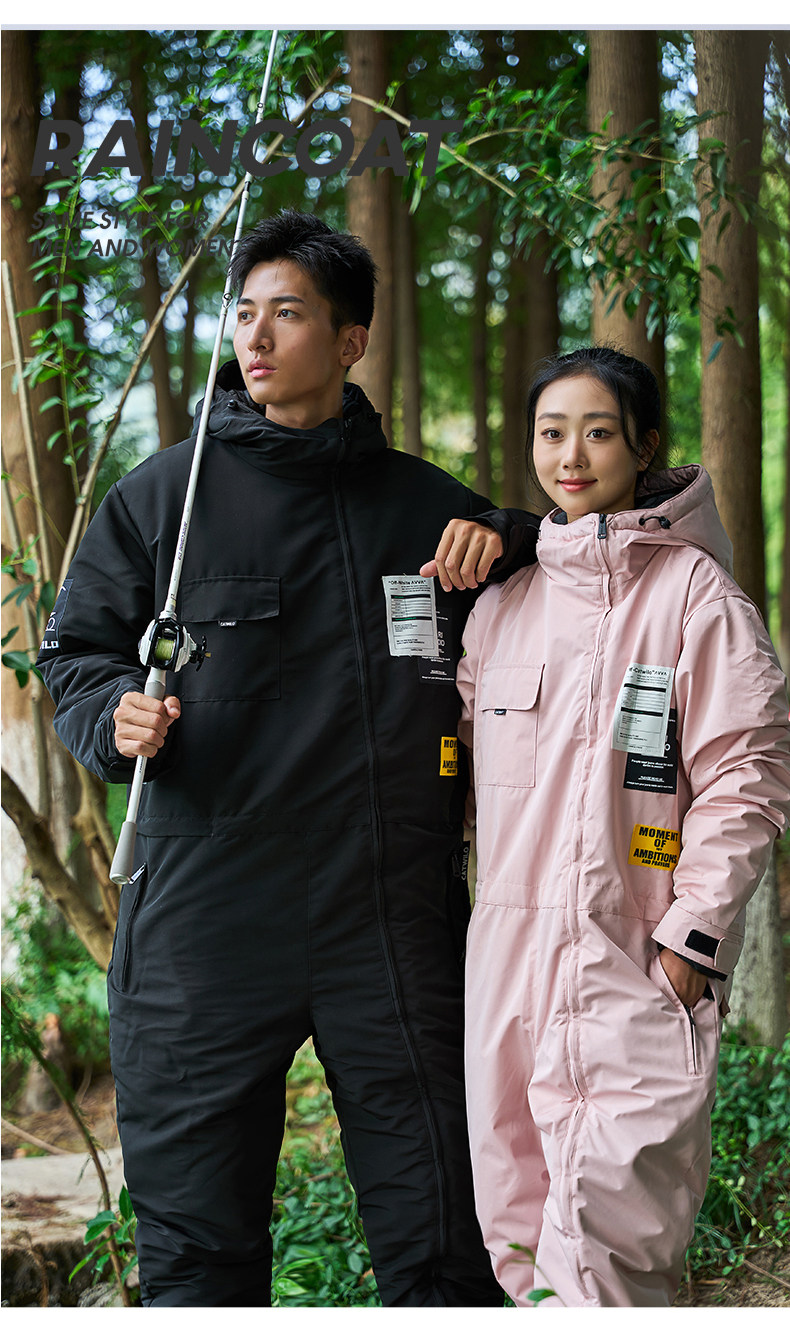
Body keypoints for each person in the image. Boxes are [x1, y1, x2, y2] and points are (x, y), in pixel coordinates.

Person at [37, 209, 539, 1307]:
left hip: (390, 916)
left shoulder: (427, 508)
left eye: (289, 314)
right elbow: (73, 653)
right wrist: (114, 711)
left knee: (445, 1235)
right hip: (205, 916)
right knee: (196, 1249)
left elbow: (590, 579)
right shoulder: (162, 498)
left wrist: (513, 531)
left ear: (350, 339)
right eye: (245, 312)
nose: (256, 337)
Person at [456, 346, 790, 1308]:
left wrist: (691, 941)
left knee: (617, 1249)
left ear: (644, 447)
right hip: (509, 968)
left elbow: (747, 774)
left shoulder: (695, 596)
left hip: (638, 961)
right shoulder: (502, 607)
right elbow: (461, 777)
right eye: (551, 433)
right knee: (519, 1236)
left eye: (597, 432)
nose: (571, 455)